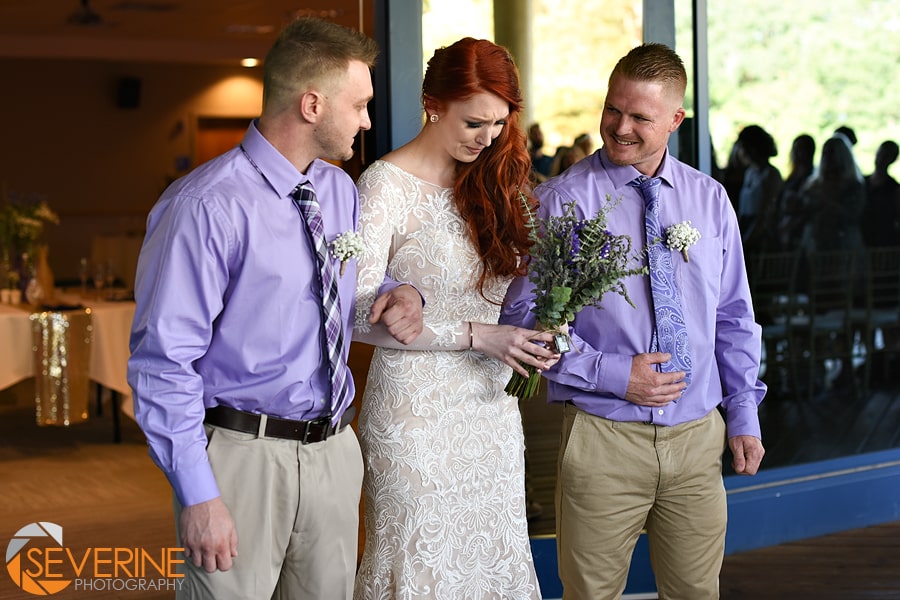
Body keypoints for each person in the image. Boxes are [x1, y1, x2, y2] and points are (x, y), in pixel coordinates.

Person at [127, 17, 424, 600]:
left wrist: (400, 291)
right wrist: (198, 493)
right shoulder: (204, 207)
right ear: (312, 104)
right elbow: (163, 363)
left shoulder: (338, 189)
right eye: (360, 104)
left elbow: (345, 286)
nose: (368, 120)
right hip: (241, 461)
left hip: (335, 452)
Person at [501, 43, 766, 599]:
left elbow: (734, 315)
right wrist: (612, 374)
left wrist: (743, 414)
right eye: (612, 109)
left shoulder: (710, 200)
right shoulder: (559, 202)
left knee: (697, 592)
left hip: (698, 439)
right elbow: (523, 320)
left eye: (640, 117)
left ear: (675, 120)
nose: (619, 127)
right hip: (601, 440)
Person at [352, 37, 559, 599]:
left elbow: (506, 298)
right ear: (433, 103)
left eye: (498, 124)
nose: (487, 137)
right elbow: (351, 315)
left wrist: (542, 327)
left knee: (492, 564)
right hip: (413, 420)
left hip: (490, 412)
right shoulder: (383, 186)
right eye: (474, 122)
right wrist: (473, 333)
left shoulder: (495, 183)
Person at [734, 124, 783, 252]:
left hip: (763, 239)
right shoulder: (750, 172)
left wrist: (747, 241)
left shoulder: (771, 174)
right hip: (746, 230)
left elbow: (766, 213)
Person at [775, 133, 816, 251]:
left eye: (802, 150)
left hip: (799, 232)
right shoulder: (791, 178)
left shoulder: (813, 178)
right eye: (796, 150)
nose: (798, 154)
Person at [862, 140, 900, 247]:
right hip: (866, 236)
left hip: (884, 238)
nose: (881, 158)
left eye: (886, 156)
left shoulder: (894, 188)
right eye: (881, 154)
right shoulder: (862, 182)